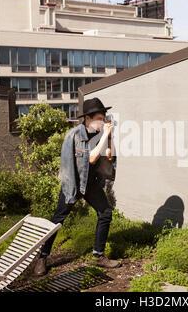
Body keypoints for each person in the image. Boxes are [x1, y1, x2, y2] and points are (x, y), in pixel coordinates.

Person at [33, 97, 120, 276]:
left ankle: (98, 255)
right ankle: (42, 257)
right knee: (58, 220)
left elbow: (108, 156)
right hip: (73, 183)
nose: (102, 122)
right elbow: (90, 158)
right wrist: (105, 135)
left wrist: (108, 137)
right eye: (99, 119)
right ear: (87, 119)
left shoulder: (99, 133)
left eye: (103, 118)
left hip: (91, 183)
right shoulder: (75, 135)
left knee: (105, 213)